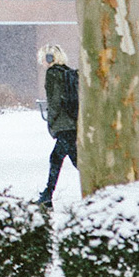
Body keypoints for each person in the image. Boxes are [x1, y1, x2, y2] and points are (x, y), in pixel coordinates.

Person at [37, 43, 78, 207]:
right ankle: (47, 195)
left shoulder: (53, 73)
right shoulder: (67, 71)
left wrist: (51, 121)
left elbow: (54, 100)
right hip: (72, 122)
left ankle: (47, 196)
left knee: (58, 159)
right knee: (74, 159)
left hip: (63, 125)